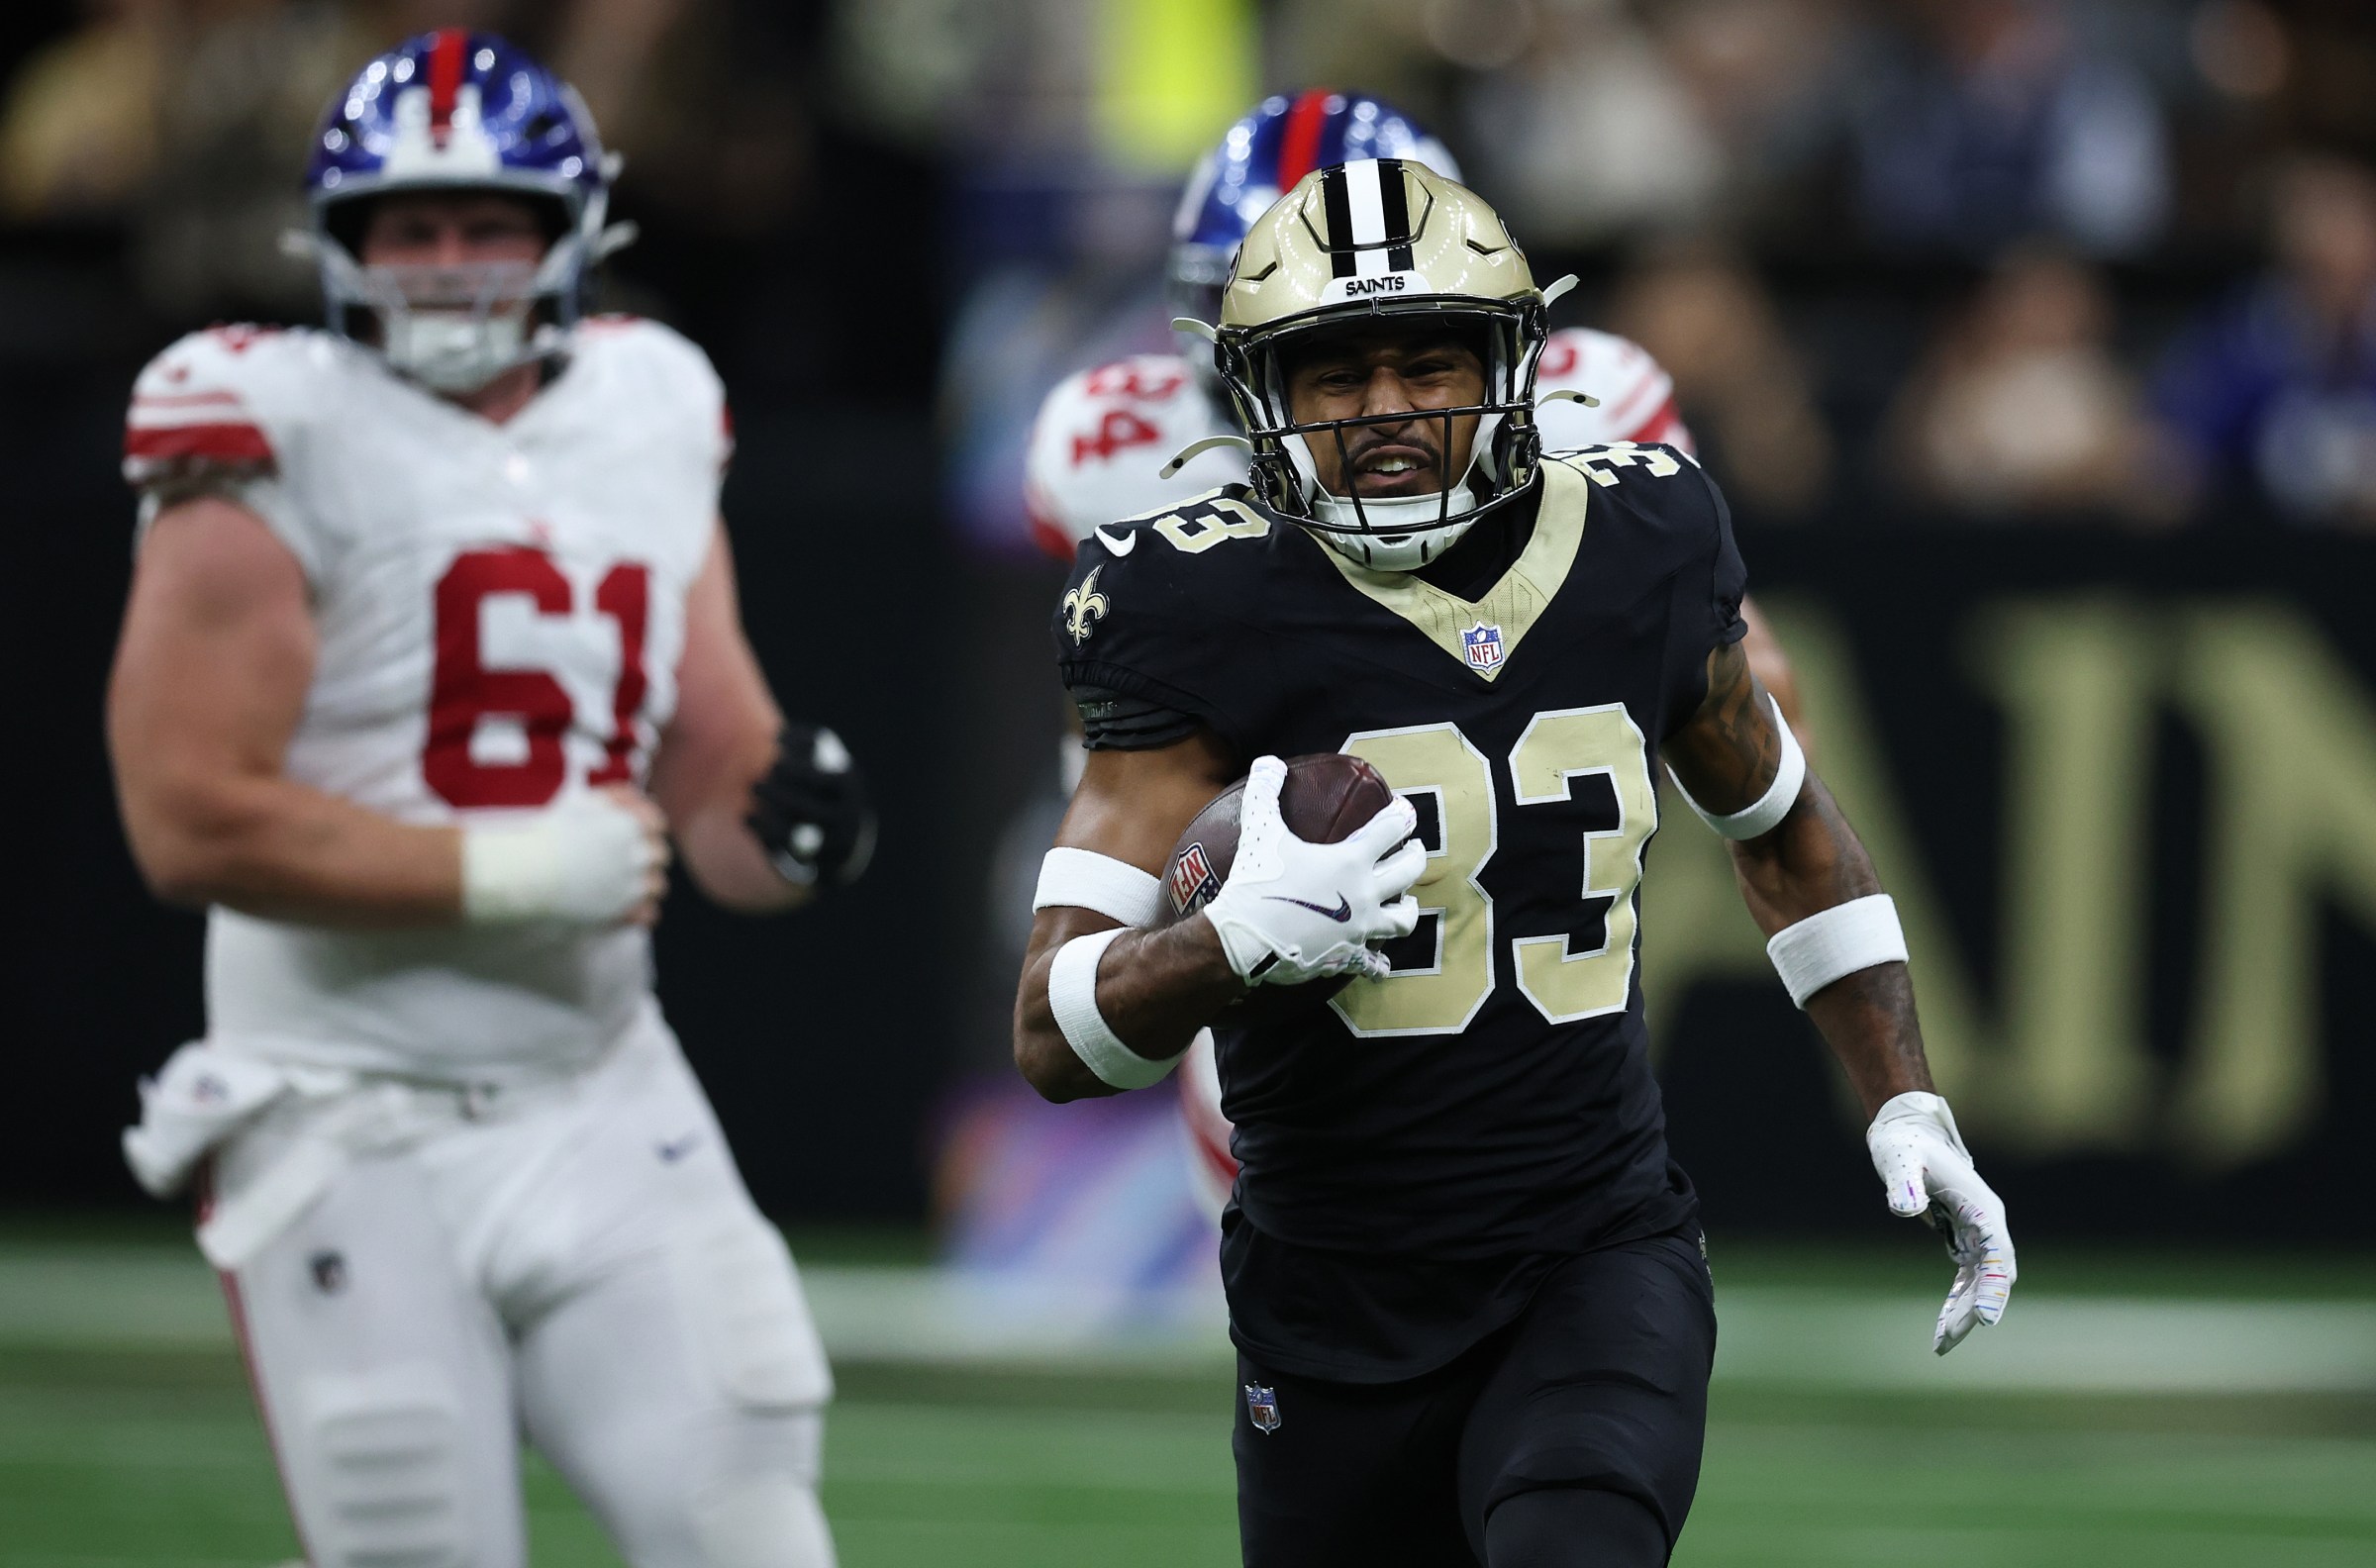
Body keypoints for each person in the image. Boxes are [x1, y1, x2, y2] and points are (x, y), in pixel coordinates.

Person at [1012, 159, 2014, 1566]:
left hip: (1592, 1256)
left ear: (1516, 367)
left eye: (1429, 364)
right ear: (1257, 400)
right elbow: (1053, 1031)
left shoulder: (1642, 540)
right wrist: (1224, 944)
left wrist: (1907, 1106)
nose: (1386, 414)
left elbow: (1783, 825)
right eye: (1333, 375)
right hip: (1324, 1296)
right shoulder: (1187, 599)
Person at [107, 32, 868, 1568]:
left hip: (598, 1091)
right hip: (341, 1110)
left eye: (489, 225)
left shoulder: (650, 403)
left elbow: (712, 783)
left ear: (569, 237)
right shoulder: (263, 427)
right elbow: (187, 818)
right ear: (342, 245)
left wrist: (791, 834)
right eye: (411, 228)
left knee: (753, 1531)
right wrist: (510, 873)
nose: (449, 264)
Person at [1023, 88, 1805, 1216]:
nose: (1359, 390)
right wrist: (1159, 872)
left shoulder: (1590, 410)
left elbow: (1753, 681)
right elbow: (1103, 716)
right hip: (1259, 908)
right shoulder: (1113, 446)